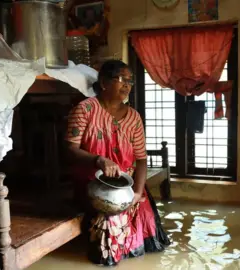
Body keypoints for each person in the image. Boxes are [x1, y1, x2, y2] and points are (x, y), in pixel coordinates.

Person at [65, 60, 170, 266]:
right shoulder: (85, 110)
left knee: (145, 231)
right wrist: (98, 160)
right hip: (93, 183)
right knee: (107, 244)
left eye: (130, 81)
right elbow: (70, 149)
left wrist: (138, 193)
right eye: (122, 79)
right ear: (104, 83)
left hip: (128, 185)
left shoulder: (134, 118)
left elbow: (141, 159)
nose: (127, 85)